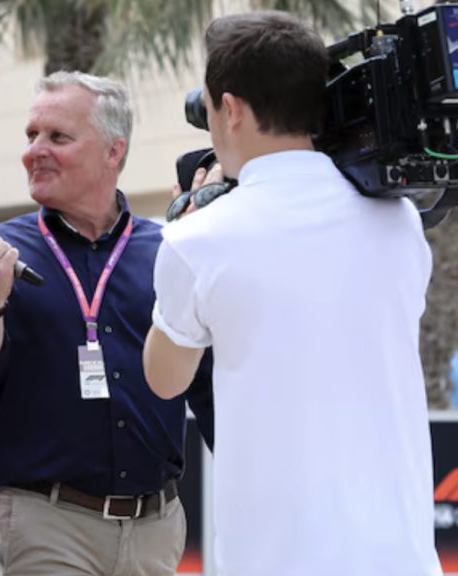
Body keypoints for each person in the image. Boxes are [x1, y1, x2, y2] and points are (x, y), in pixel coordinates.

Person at [142, 12, 441, 576]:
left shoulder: (197, 240)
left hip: (274, 558)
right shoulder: (401, 220)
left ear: (229, 108)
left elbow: (164, 378)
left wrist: (187, 217)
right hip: (401, 556)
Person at [0, 70, 214, 576]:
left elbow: (207, 386)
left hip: (157, 526)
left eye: (57, 136)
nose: (34, 150)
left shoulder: (170, 250)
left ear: (112, 151)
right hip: (48, 523)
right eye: (31, 135)